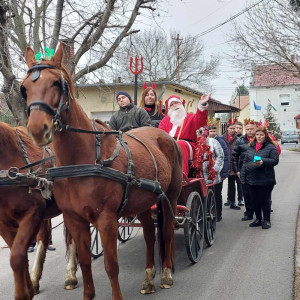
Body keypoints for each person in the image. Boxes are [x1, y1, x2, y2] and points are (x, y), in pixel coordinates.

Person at [159, 94, 210, 176]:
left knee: (180, 144)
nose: (175, 106)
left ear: (181, 104)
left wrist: (202, 104)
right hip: (169, 145)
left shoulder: (190, 117)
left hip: (187, 146)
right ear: (169, 109)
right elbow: (160, 134)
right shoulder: (165, 120)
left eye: (176, 103)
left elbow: (201, 121)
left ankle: (182, 176)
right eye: (171, 105)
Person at [240, 126, 279, 229]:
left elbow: (275, 160)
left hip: (265, 179)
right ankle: (258, 219)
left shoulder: (270, 147)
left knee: (264, 200)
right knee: (254, 200)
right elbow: (245, 162)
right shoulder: (251, 146)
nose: (259, 137)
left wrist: (263, 161)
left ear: (265, 136)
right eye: (257, 135)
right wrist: (243, 176)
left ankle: (266, 220)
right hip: (251, 179)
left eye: (261, 135)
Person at [232, 119, 257, 221]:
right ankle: (249, 213)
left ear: (256, 129)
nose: (250, 131)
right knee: (246, 193)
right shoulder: (240, 140)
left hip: (258, 170)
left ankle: (260, 214)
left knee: (258, 193)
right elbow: (234, 156)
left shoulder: (260, 139)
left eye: (252, 129)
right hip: (244, 170)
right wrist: (236, 170)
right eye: (248, 129)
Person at [207, 124, 228, 222]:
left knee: (217, 195)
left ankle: (218, 214)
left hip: (216, 174)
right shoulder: (202, 141)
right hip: (204, 176)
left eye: (213, 131)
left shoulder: (219, 142)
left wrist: (219, 172)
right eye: (210, 131)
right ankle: (208, 213)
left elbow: (223, 157)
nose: (212, 133)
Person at [222, 118, 242, 210]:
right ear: (227, 129)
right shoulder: (222, 138)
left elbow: (240, 152)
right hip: (224, 164)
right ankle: (227, 199)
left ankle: (233, 202)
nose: (233, 130)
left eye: (234, 129)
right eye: (231, 128)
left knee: (232, 184)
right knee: (220, 184)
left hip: (234, 164)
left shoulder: (238, 139)